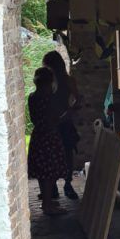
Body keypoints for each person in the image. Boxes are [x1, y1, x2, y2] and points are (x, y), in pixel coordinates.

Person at [27, 66, 67, 216]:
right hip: (49, 137)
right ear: (49, 82)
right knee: (49, 172)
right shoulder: (48, 99)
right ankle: (48, 205)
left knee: (43, 172)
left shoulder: (32, 97)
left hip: (38, 136)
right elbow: (54, 119)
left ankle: (47, 201)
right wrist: (70, 111)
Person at [42, 49, 80, 200]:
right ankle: (53, 186)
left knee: (67, 154)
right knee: (52, 156)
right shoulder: (48, 82)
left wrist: (69, 112)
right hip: (52, 123)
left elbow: (78, 99)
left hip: (63, 122)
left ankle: (67, 184)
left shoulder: (68, 80)